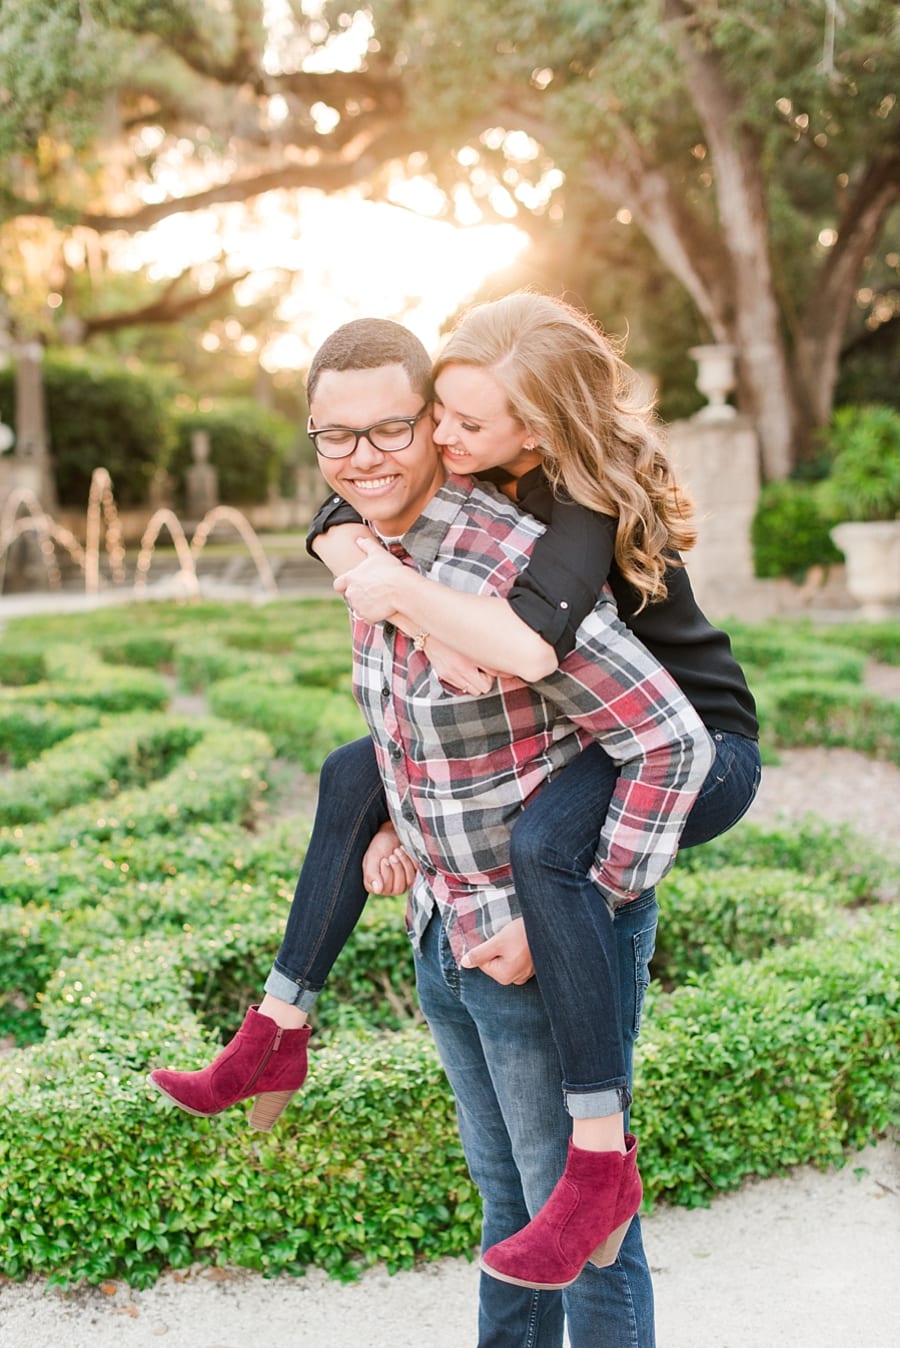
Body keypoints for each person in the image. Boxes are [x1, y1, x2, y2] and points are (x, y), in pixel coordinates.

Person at [151, 315, 716, 1346]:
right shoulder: (378, 555)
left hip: (534, 948)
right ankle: (278, 1027)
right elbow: (422, 733)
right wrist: (398, 828)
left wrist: (601, 895)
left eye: (390, 431)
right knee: (513, 1224)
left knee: (589, 1243)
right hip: (441, 928)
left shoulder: (510, 561)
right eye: (336, 437)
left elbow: (673, 739)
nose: (362, 459)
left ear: (436, 430)